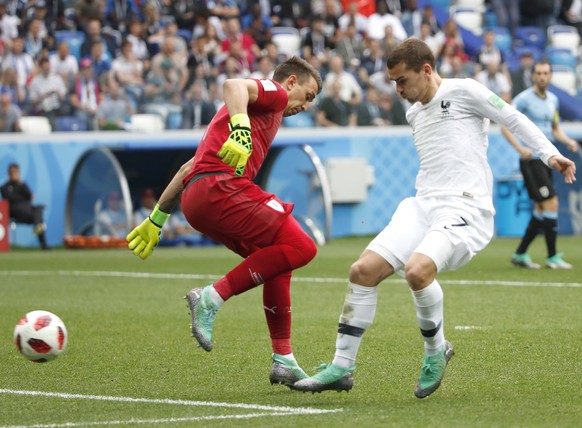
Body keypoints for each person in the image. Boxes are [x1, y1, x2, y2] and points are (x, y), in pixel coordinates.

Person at [291, 38, 576, 397]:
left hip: (465, 206)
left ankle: (435, 351)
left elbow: (513, 118)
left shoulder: (466, 90)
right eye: (393, 82)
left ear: (426, 70)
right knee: (361, 272)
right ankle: (341, 367)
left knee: (417, 270)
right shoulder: (413, 111)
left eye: (402, 81)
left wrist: (550, 155)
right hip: (422, 204)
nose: (398, 90)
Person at [125, 56, 322, 387]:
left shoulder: (249, 115)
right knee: (302, 246)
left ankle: (283, 358)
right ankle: (211, 297)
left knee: (278, 260)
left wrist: (156, 218)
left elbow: (190, 167)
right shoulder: (273, 93)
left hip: (198, 200)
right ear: (291, 82)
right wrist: (241, 125)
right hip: (222, 188)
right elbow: (233, 84)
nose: (306, 105)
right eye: (309, 95)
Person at [502, 60, 579, 270]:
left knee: (540, 208)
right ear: (533, 76)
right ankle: (552, 256)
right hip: (531, 160)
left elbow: (554, 128)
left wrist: (567, 141)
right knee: (551, 203)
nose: (542, 77)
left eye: (546, 73)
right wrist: (520, 149)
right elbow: (505, 125)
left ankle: (520, 254)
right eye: (539, 73)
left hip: (546, 159)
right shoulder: (523, 99)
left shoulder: (553, 99)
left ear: (550, 76)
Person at [1, 163, 49, 250]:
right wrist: (24, 196)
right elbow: (11, 199)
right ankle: (42, 239)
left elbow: (29, 196)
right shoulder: (5, 187)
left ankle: (37, 226)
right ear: (9, 173)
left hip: (28, 211)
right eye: (13, 172)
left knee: (39, 208)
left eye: (16, 172)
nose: (15, 174)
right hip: (16, 211)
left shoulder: (22, 185)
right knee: (38, 217)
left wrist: (23, 190)